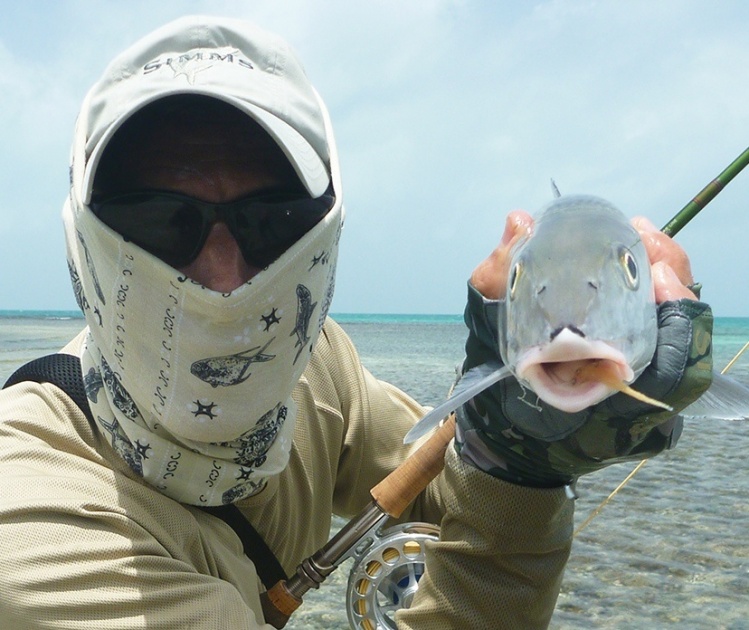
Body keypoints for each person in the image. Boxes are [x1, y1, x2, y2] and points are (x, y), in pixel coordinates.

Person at [0, 15, 712, 630]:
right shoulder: (30, 535)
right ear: (82, 244)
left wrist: (518, 432)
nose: (221, 280)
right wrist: (518, 485)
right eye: (157, 222)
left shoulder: (317, 372)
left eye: (272, 220)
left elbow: (449, 484)